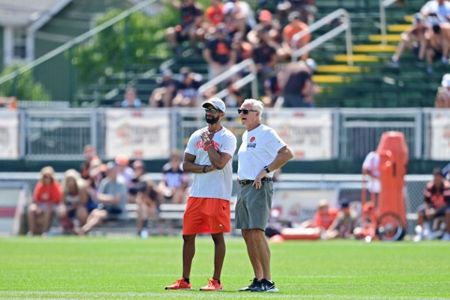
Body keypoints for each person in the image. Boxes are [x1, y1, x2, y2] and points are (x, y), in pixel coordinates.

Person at [165, 98, 237, 291]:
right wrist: (204, 169)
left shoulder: (228, 137)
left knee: (217, 237)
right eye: (207, 109)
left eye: (213, 110)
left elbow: (220, 163)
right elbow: (186, 164)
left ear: (221, 114)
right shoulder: (197, 135)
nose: (208, 113)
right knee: (187, 235)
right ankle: (185, 280)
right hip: (197, 193)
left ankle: (216, 281)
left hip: (217, 193)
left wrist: (209, 144)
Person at [235, 98, 293, 293]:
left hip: (258, 186)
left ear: (257, 114)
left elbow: (286, 153)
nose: (241, 113)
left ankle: (268, 281)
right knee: (246, 233)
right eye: (240, 110)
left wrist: (266, 170)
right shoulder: (246, 135)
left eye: (246, 110)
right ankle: (258, 279)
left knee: (258, 232)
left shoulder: (266, 132)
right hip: (243, 187)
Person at [77, 162, 128, 235]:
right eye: (108, 171)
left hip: (117, 210)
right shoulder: (105, 182)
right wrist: (110, 198)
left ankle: (83, 230)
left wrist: (105, 198)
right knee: (94, 212)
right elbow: (98, 197)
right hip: (106, 209)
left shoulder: (121, 183)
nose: (109, 173)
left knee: (98, 215)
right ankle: (85, 231)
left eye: (111, 170)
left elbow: (116, 200)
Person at [414, 168, 450, 241]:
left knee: (448, 212)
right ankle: (421, 233)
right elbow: (426, 201)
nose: (436, 180)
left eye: (438, 177)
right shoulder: (430, 186)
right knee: (420, 211)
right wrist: (427, 210)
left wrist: (435, 211)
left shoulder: (446, 186)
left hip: (442, 209)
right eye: (435, 177)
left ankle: (447, 233)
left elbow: (447, 203)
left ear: (441, 177)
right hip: (432, 208)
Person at [27, 166, 63, 236]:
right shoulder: (40, 185)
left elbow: (56, 200)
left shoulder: (55, 186)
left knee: (48, 209)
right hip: (41, 205)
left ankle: (45, 231)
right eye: (45, 176)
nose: (47, 179)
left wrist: (46, 205)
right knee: (31, 209)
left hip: (53, 205)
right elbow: (36, 199)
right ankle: (32, 231)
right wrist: (38, 207)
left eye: (49, 177)